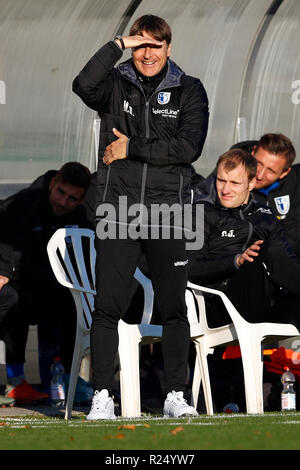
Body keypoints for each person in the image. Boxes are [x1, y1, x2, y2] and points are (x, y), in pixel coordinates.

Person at [72, 14, 209, 419]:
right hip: (119, 209)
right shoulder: (115, 83)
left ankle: (175, 396)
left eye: (155, 45)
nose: (147, 53)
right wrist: (118, 45)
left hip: (169, 212)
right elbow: (82, 85)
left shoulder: (189, 89)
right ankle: (102, 396)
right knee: (107, 307)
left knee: (173, 309)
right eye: (140, 45)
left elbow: (188, 149)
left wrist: (132, 147)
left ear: (169, 48)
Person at [188, 148, 300, 411]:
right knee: (257, 257)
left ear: (252, 182)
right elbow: (189, 268)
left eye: (235, 183)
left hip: (259, 302)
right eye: (221, 180)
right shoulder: (200, 212)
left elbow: (288, 262)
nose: (225, 189)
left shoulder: (263, 215)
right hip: (216, 303)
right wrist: (234, 261)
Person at [0, 162, 92, 403]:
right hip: (18, 281)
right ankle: (16, 381)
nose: (63, 202)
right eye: (61, 192)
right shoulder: (22, 205)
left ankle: (65, 378)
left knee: (71, 299)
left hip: (45, 284)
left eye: (72, 198)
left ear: (81, 200)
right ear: (52, 183)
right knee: (14, 297)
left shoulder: (82, 216)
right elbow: (7, 249)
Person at [197, 133, 300, 256]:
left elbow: (292, 234)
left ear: (284, 172)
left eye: (270, 171)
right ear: (253, 152)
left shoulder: (292, 187)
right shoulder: (229, 171)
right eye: (259, 163)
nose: (260, 175)